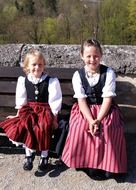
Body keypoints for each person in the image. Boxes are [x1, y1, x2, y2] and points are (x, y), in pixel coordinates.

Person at [61, 38, 127, 179]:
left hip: (105, 109)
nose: (92, 59)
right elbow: (81, 100)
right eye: (88, 56)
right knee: (80, 127)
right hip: (85, 110)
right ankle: (87, 162)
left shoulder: (108, 73)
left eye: (96, 56)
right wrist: (91, 120)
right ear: (82, 56)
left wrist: (98, 119)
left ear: (101, 55)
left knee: (108, 128)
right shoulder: (78, 75)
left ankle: (110, 164)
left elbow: (108, 98)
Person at [0, 49, 62, 172]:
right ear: (27, 66)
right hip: (29, 110)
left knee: (44, 126)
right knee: (26, 124)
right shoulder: (23, 81)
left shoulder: (51, 81)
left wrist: (54, 119)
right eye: (34, 64)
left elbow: (55, 102)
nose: (37, 67)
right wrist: (18, 115)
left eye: (40, 64)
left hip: (45, 111)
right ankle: (29, 155)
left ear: (44, 65)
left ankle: (44, 156)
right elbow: (22, 100)